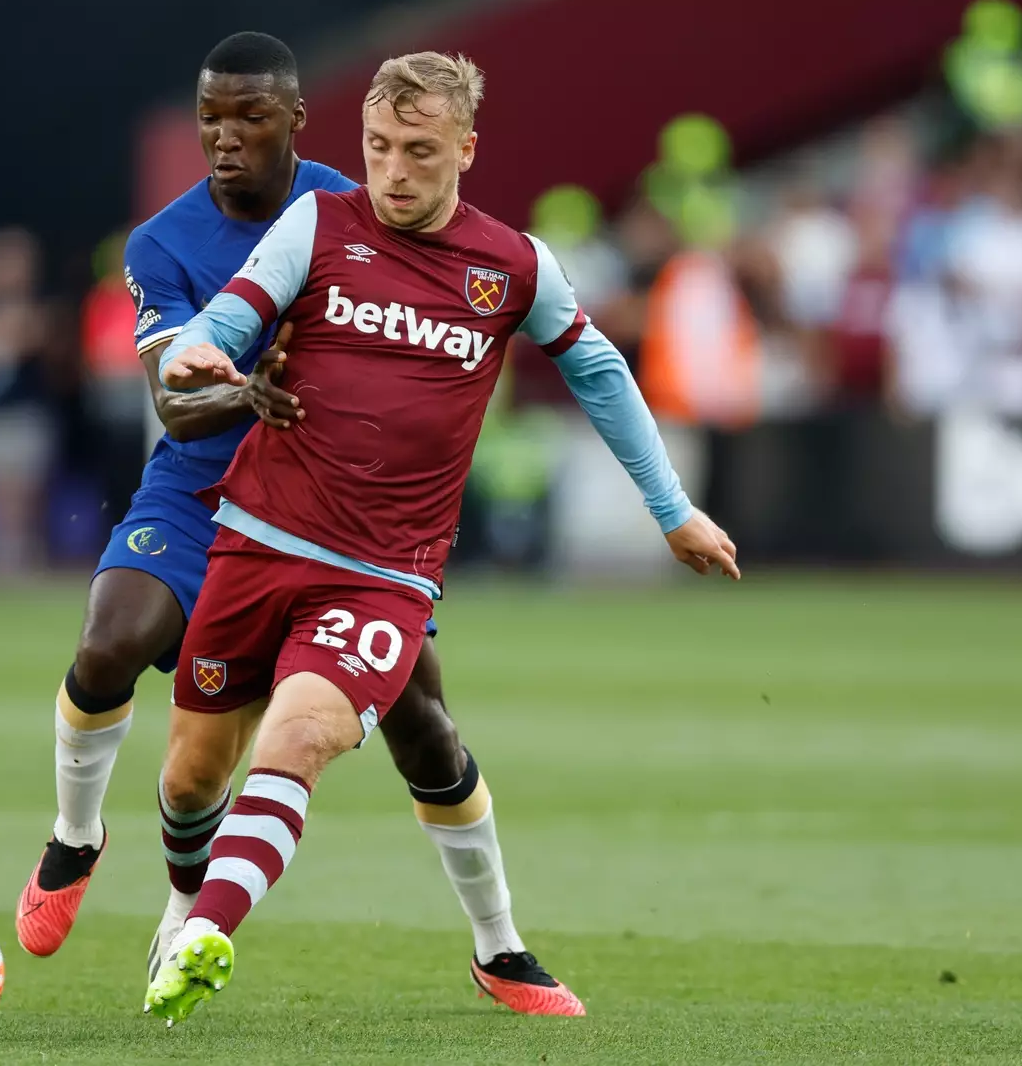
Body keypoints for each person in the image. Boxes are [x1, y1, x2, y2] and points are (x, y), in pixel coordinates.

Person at [143, 50, 739, 1026]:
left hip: (384, 575)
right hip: (253, 543)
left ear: (465, 148)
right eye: (378, 147)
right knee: (191, 775)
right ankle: (182, 905)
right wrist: (209, 343)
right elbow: (236, 309)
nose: (394, 171)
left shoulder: (511, 264)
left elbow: (596, 368)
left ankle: (210, 931)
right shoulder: (318, 225)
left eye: (419, 151)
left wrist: (671, 510)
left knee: (300, 738)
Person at [16, 32, 581, 1016]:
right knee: (111, 645)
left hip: (343, 514)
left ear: (293, 122)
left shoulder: (348, 201)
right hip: (200, 494)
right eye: (208, 118)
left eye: (248, 117)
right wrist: (254, 388)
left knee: (429, 734)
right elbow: (174, 404)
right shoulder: (161, 244)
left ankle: (501, 947)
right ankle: (79, 837)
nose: (224, 138)